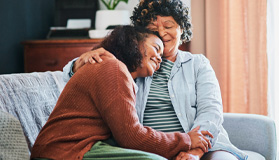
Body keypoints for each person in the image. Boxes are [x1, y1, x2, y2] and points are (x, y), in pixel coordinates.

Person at [63, 1, 248, 160]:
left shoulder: (197, 64)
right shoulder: (131, 62)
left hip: (204, 147)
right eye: (153, 28)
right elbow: (82, 74)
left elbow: (211, 111)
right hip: (150, 149)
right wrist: (80, 61)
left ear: (181, 29)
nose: (161, 32)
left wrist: (194, 151)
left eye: (168, 26)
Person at [31, 25, 213, 160]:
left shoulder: (118, 71)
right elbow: (132, 137)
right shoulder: (112, 68)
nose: (159, 57)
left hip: (79, 147)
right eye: (156, 48)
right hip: (62, 152)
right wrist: (185, 140)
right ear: (134, 43)